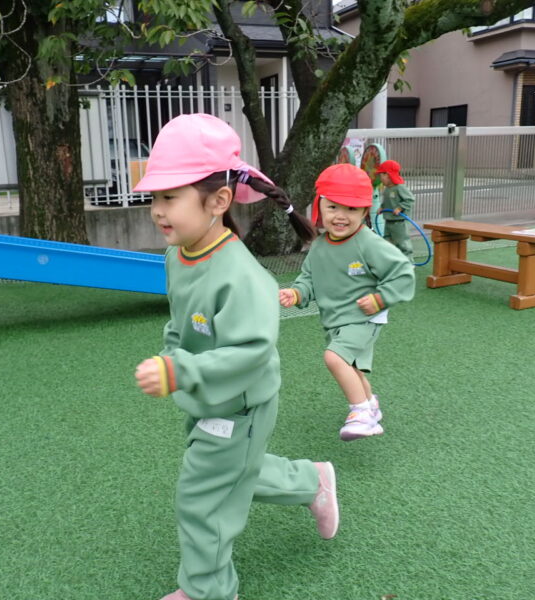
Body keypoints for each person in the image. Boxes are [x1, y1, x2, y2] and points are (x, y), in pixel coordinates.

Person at [133, 113, 336, 600]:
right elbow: (180, 322)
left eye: (170, 197)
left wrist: (180, 369)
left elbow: (251, 352)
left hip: (240, 405)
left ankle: (209, 591)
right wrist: (173, 356)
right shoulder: (178, 254)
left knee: (202, 499)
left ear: (219, 201)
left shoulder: (242, 278)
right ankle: (311, 481)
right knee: (236, 471)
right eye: (154, 198)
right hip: (210, 397)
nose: (158, 211)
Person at [279, 163, 415, 441]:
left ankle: (361, 413)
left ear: (365, 212)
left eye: (351, 209)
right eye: (333, 207)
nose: (341, 216)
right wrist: (297, 293)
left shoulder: (368, 243)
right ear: (319, 207)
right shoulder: (320, 245)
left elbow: (403, 272)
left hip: (364, 317)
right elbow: (309, 278)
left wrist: (380, 299)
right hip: (336, 320)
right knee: (350, 365)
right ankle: (371, 405)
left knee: (334, 357)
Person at [375, 159, 415, 261]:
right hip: (389, 220)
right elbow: (386, 201)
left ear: (388, 175)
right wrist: (382, 207)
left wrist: (400, 208)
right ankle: (391, 261)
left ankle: (408, 262)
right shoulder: (387, 189)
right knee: (387, 241)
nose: (380, 178)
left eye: (382, 175)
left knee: (402, 242)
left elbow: (410, 199)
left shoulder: (399, 187)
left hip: (399, 222)